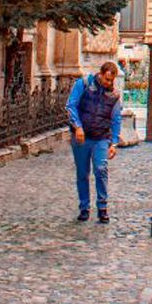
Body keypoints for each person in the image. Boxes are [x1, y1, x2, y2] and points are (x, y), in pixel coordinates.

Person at [65, 61, 123, 223]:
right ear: (100, 74)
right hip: (81, 137)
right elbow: (71, 105)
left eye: (111, 80)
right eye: (106, 79)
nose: (108, 83)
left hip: (101, 137)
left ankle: (102, 207)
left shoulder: (114, 96)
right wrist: (78, 126)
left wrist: (114, 142)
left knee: (101, 169)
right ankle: (84, 207)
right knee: (82, 173)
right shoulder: (83, 84)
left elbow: (116, 118)